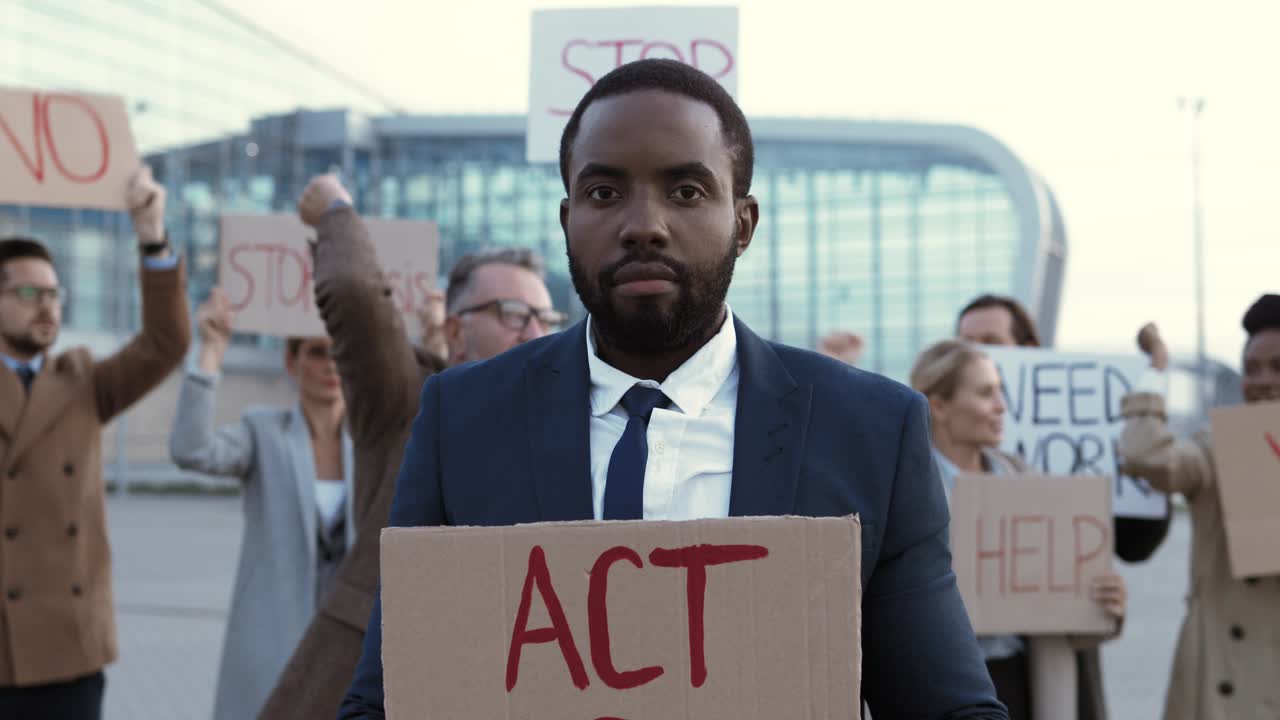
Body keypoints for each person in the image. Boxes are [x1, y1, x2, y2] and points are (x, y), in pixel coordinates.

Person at [341, 59, 1006, 719]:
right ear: (567, 219)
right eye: (605, 193)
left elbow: (944, 705)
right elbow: (390, 698)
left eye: (685, 191)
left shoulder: (870, 431)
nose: (644, 224)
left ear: (743, 225)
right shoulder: (463, 418)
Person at [255, 176, 564, 719]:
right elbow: (352, 291)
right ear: (455, 330)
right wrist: (336, 211)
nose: (533, 332)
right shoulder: (408, 401)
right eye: (513, 314)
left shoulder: (561, 430)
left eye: (547, 319)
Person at [0, 167, 190, 720]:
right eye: (30, 292)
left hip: (69, 650)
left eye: (56, 293)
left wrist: (152, 235)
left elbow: (166, 342)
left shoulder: (81, 381)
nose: (49, 306)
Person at [911, 340, 1127, 720]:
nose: (1001, 407)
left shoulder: (1025, 479)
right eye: (985, 393)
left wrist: (1100, 600)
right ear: (939, 405)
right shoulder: (906, 488)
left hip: (1024, 682)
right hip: (940, 686)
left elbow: (1060, 609)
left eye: (1000, 392)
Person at [167, 288, 353, 720]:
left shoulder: (371, 445)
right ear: (291, 363)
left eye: (339, 353)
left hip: (350, 644)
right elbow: (190, 450)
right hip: (275, 637)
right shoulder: (263, 431)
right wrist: (211, 351)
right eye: (316, 352)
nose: (330, 364)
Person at [1118, 298, 1280, 720]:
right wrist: (1155, 370)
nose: (1262, 381)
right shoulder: (1218, 446)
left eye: (1278, 368)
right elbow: (1142, 454)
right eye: (1252, 368)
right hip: (1225, 674)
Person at [955, 292, 1172, 564]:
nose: (978, 355)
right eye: (966, 345)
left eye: (991, 342)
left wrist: (1150, 381)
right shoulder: (932, 438)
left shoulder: (1086, 420)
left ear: (1028, 349)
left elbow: (1134, 544)